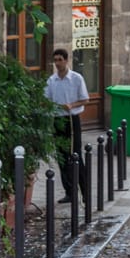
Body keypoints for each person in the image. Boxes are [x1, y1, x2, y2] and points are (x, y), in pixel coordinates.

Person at [45, 48, 89, 203]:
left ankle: (85, 191)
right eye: (55, 60)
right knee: (62, 157)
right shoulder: (51, 80)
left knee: (75, 155)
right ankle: (70, 192)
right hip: (57, 119)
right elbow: (46, 100)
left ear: (66, 60)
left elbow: (85, 99)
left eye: (60, 60)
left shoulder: (76, 78)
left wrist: (72, 104)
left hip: (72, 118)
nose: (57, 63)